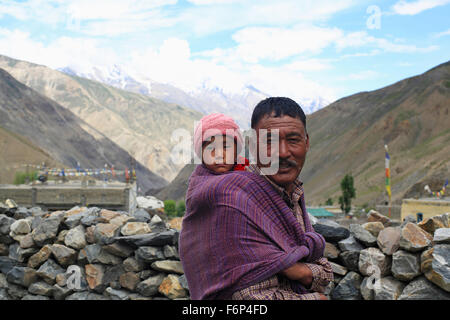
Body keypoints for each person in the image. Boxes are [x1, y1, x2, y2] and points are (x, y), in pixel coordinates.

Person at [179, 98, 332, 300]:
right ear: (252, 145)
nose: (283, 152)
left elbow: (325, 275)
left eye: (293, 139)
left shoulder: (294, 193)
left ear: (307, 143)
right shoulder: (231, 198)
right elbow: (247, 298)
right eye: (270, 141)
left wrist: (298, 270)